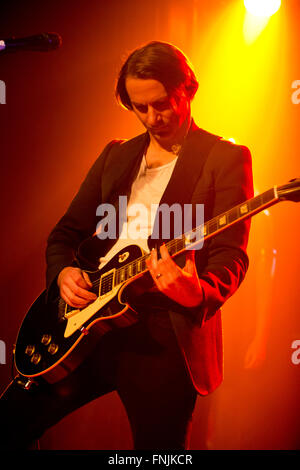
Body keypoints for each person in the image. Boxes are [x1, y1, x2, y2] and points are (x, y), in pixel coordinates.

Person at [0, 41, 253, 450]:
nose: (153, 118)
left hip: (163, 333)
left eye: (163, 104)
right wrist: (63, 273)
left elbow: (231, 254)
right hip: (85, 324)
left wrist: (197, 291)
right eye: (140, 108)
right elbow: (65, 234)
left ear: (188, 90)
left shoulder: (224, 157)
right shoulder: (116, 155)